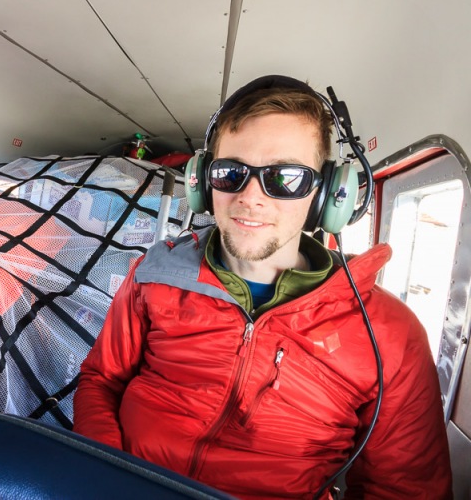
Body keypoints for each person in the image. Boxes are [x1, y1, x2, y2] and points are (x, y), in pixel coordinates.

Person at [73, 75, 452, 499]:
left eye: (284, 177)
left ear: (328, 194)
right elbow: (101, 380)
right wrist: (107, 479)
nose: (249, 197)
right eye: (231, 172)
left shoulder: (390, 334)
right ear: (202, 181)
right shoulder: (153, 274)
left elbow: (405, 490)